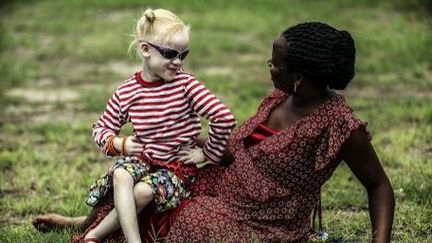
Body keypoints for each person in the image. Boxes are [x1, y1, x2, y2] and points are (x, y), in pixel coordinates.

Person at [33, 22, 395, 242]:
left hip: (265, 217)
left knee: (188, 218)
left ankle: (94, 228)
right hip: (223, 180)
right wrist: (186, 144)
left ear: (299, 78)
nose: (269, 66)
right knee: (152, 183)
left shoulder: (339, 125)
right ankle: (81, 223)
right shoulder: (278, 99)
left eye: (276, 63)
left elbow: (379, 187)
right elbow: (243, 146)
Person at [49, 8, 236, 243]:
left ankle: (95, 235)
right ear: (145, 49)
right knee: (120, 174)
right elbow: (101, 129)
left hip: (174, 170)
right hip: (143, 161)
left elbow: (224, 117)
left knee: (143, 191)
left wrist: (206, 152)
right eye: (170, 54)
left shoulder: (186, 85)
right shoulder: (128, 91)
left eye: (183, 54)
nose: (177, 62)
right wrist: (121, 143)